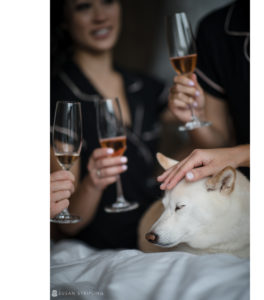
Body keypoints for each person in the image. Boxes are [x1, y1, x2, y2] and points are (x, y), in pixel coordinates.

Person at [50, 0, 167, 249]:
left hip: (158, 231)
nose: (101, 16)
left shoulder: (146, 87)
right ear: (64, 21)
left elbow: (207, 139)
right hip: (105, 249)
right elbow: (68, 224)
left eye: (108, 1)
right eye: (84, 7)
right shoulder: (59, 97)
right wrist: (93, 183)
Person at [158, 0, 250, 190]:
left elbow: (226, 154)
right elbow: (220, 143)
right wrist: (196, 118)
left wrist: (236, 156)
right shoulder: (216, 30)